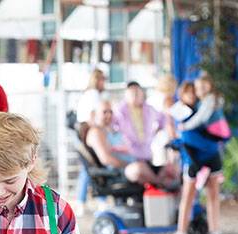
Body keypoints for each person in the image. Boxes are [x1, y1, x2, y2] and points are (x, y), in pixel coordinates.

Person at [164, 75, 226, 234]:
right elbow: (180, 136)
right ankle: (180, 231)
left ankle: (215, 231)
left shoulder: (207, 107)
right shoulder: (180, 114)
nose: (192, 95)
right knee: (188, 195)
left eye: (195, 92)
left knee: (213, 194)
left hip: (211, 156)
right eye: (188, 93)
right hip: (192, 160)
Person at [114, 81, 178, 188]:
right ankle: (159, 183)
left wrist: (158, 130)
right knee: (139, 170)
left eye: (137, 93)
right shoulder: (119, 112)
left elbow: (164, 119)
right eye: (132, 93)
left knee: (172, 170)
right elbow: (113, 130)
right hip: (129, 159)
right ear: (126, 95)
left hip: (147, 156)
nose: (135, 96)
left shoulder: (149, 109)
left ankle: (160, 187)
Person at [75, 68, 107, 215]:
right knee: (93, 167)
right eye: (102, 79)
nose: (104, 82)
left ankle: (82, 201)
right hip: (88, 132)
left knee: (87, 168)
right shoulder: (94, 95)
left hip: (82, 132)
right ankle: (99, 200)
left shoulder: (86, 94)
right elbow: (93, 117)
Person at [85, 99, 137, 179]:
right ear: (95, 114)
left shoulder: (107, 130)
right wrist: (129, 165)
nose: (109, 115)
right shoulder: (96, 132)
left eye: (111, 112)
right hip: (119, 173)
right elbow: (106, 159)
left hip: (128, 167)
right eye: (105, 112)